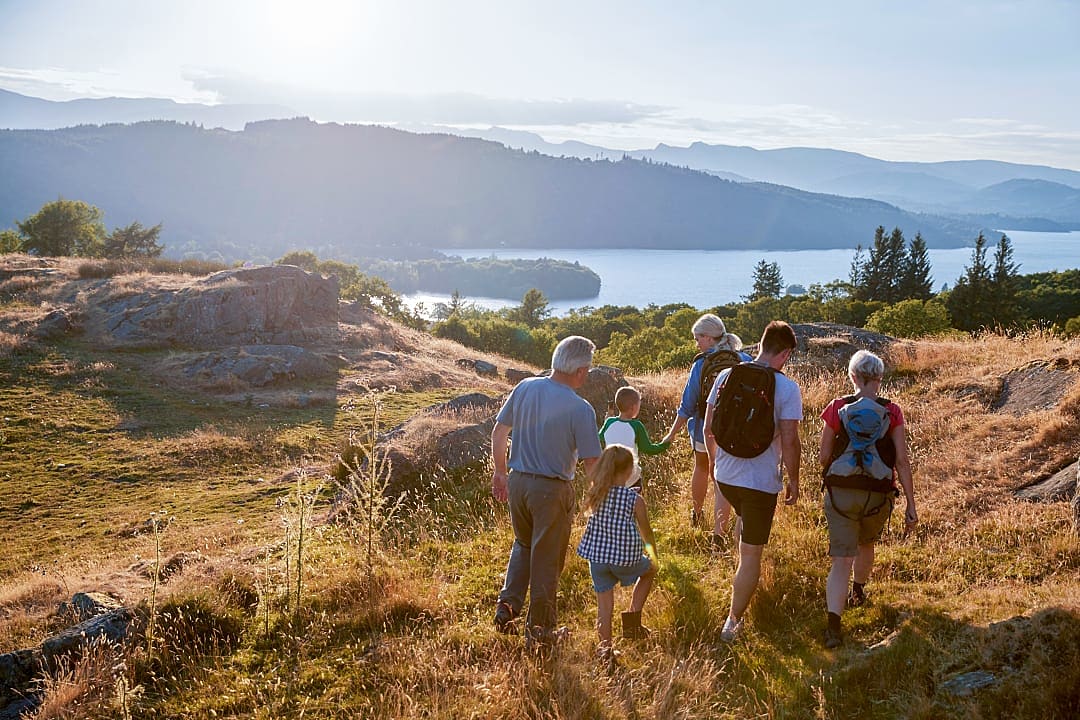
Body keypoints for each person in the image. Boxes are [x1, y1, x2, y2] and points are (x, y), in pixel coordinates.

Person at [491, 335, 603, 653]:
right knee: (547, 561)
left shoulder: (525, 386)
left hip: (518, 483)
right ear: (581, 370)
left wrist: (500, 471)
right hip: (551, 491)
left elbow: (499, 432)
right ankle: (540, 632)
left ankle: (508, 608)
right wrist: (602, 498)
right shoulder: (580, 409)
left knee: (523, 544)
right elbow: (592, 462)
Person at [703, 320, 802, 642]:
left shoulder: (727, 375)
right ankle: (733, 621)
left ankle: (737, 578)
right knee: (751, 555)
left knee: (742, 524)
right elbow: (790, 440)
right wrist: (794, 480)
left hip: (726, 476)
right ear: (785, 354)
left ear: (761, 344)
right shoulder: (786, 388)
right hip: (759, 483)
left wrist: (717, 463)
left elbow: (708, 429)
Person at [819, 349, 917, 648]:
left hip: (841, 492)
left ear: (853, 376)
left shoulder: (837, 407)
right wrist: (911, 505)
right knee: (866, 545)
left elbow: (823, 455)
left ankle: (834, 626)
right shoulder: (893, 411)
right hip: (878, 493)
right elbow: (901, 461)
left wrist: (831, 476)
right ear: (880, 378)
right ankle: (858, 592)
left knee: (841, 559)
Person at [662, 314, 750, 545]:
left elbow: (687, 405)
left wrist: (671, 434)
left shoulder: (701, 364)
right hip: (738, 431)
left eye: (698, 337)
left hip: (705, 428)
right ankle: (727, 524)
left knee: (702, 468)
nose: (696, 343)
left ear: (710, 338)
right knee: (730, 475)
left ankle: (698, 514)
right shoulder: (744, 359)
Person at [576, 444, 659, 666]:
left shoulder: (596, 495)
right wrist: (652, 553)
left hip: (598, 559)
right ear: (630, 471)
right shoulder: (634, 500)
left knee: (604, 607)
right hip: (625, 559)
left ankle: (605, 652)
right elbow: (646, 531)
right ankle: (633, 620)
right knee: (649, 571)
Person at [599, 385, 670, 491]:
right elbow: (648, 449)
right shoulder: (636, 426)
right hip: (631, 478)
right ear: (633, 407)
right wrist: (666, 443)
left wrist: (606, 423)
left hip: (610, 476)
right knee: (634, 505)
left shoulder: (609, 422)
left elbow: (599, 438)